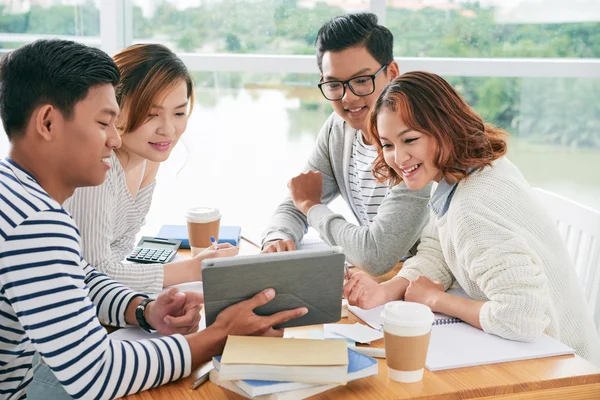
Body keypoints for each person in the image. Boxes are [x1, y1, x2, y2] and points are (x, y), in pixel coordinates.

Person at [0, 39, 307, 400]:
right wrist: (217, 335)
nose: (115, 139)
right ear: (48, 123)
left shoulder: (17, 195)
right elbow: (95, 373)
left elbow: (78, 274)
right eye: (103, 123)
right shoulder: (35, 224)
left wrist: (142, 309)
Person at [343, 71, 600, 364]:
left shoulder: (471, 208)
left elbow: (522, 317)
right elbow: (439, 250)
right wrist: (386, 291)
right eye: (388, 145)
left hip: (562, 369)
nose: (398, 158)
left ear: (444, 128)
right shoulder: (473, 171)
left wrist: (437, 300)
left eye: (410, 139)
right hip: (538, 355)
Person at [261, 13, 431, 275]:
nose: (348, 97)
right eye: (334, 84)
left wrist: (311, 207)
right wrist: (277, 237)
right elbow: (297, 200)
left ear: (392, 73)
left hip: (442, 284)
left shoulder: (417, 139)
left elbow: (376, 255)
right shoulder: (338, 129)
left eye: (362, 80)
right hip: (389, 281)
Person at [63, 44, 236, 294]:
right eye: (151, 114)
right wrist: (192, 269)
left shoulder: (147, 159)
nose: (168, 129)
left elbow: (118, 252)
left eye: (179, 113)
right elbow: (93, 272)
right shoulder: (98, 166)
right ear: (114, 108)